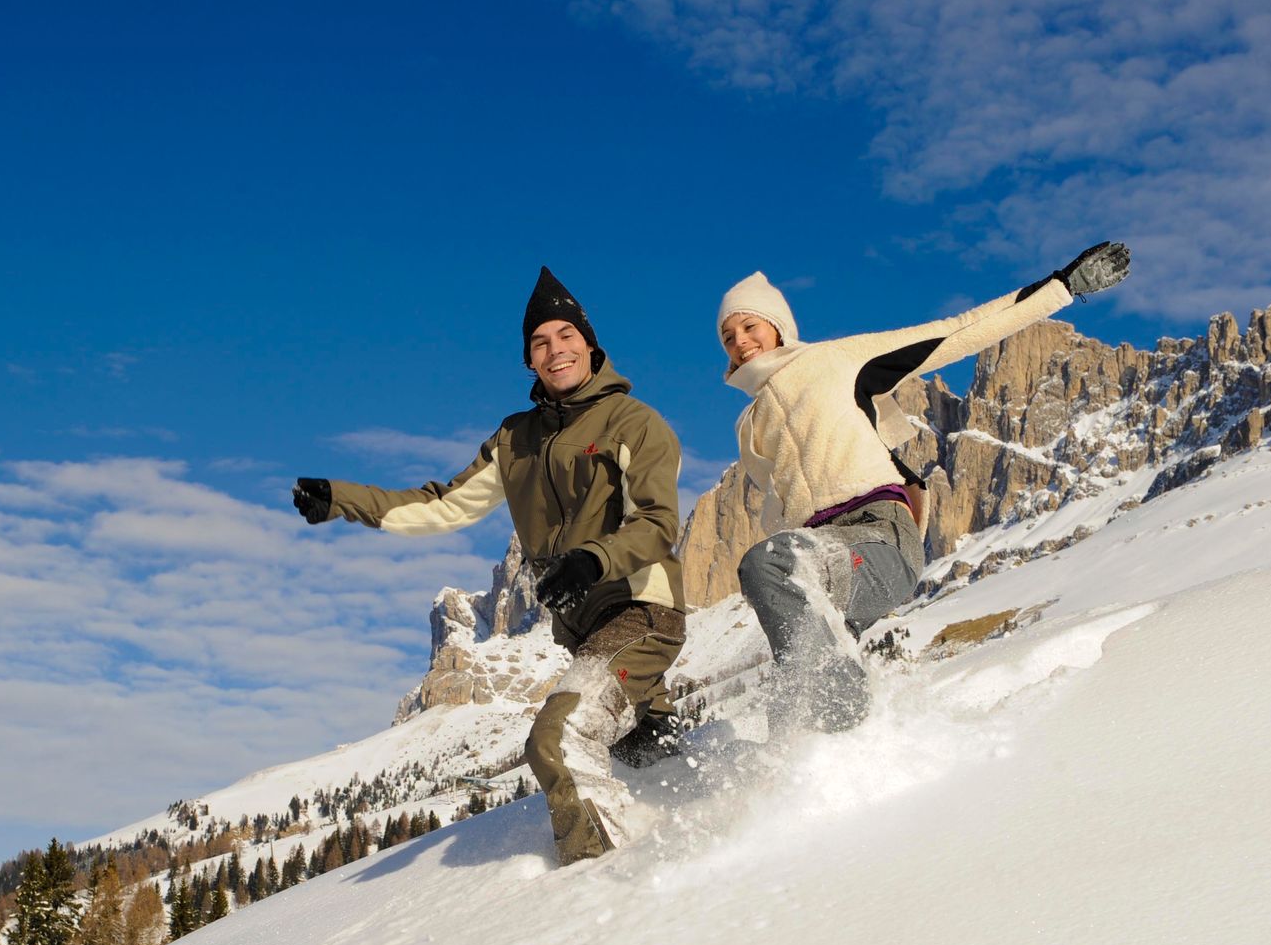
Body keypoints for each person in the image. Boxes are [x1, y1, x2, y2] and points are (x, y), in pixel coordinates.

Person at [292, 267, 686, 865]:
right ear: (529, 359)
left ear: (590, 343)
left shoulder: (633, 423)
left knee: (559, 738)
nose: (555, 351)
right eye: (540, 342)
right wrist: (340, 500)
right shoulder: (515, 439)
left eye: (565, 336)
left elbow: (657, 523)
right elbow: (443, 505)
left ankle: (603, 884)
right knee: (654, 761)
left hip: (640, 613)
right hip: (583, 633)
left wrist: (591, 560)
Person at [718, 242, 1131, 732]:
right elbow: (784, 512)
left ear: (778, 326)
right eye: (727, 336)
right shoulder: (751, 423)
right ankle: (819, 765)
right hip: (823, 558)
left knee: (777, 570)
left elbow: (953, 332)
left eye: (749, 326)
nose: (740, 341)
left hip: (879, 539)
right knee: (795, 684)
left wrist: (1061, 287)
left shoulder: (836, 361)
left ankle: (839, 715)